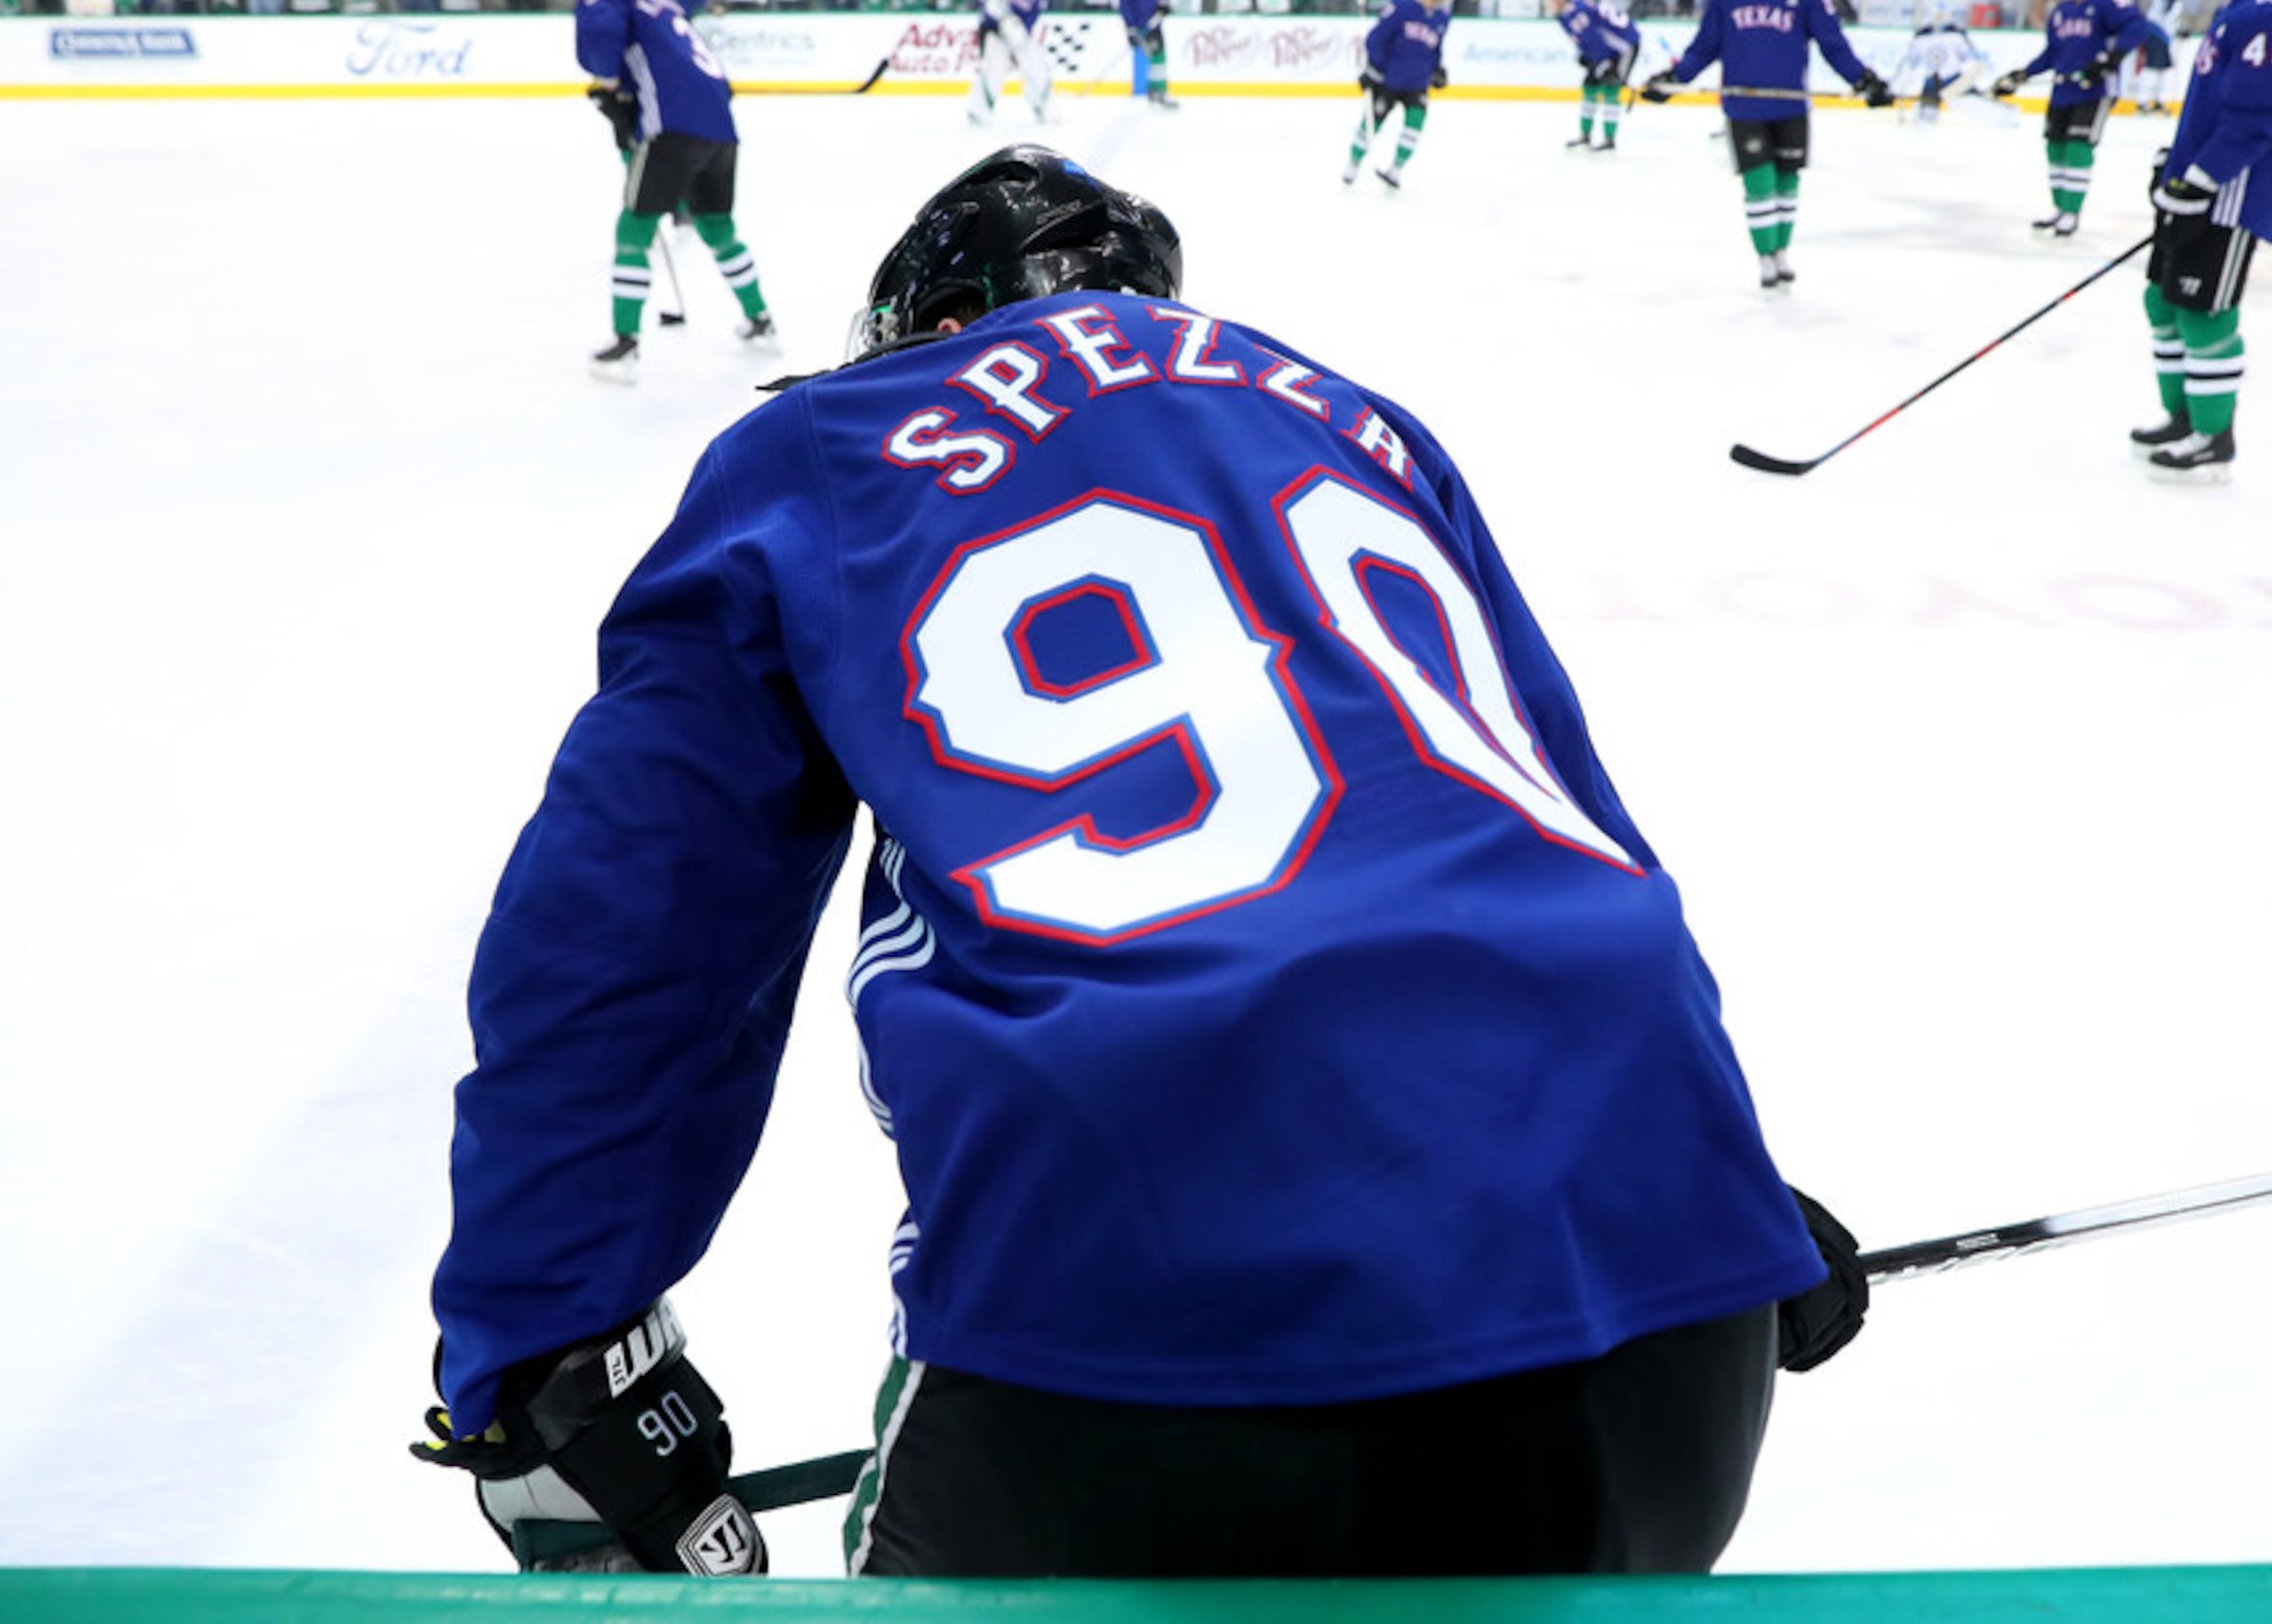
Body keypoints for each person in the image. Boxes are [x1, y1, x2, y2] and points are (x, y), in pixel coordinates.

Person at [410, 144, 1870, 1580]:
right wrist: (1708, 1183)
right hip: (1653, 1294)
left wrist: (545, 1343)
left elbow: (633, 922)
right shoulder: (1355, 418)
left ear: (920, 325)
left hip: (1143, 1305)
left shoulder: (827, 445)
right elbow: (1540, 811)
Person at [2133, 0, 2272, 483]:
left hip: (2229, 195)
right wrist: (2177, 160)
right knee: (2163, 300)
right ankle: (2183, 417)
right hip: (2197, 185)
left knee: (2205, 311)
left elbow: (2256, 121)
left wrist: (2203, 176)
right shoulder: (2239, 10)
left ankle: (2214, 435)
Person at [1638, 0, 1895, 290]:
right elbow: (1705, 48)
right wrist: (1673, 80)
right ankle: (1765, 256)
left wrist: (1865, 81)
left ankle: (1781, 253)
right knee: (1759, 183)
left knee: (1787, 183)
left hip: (1790, 106)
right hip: (1745, 107)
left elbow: (1833, 46)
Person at [573, 0, 777, 381]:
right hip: (721, 129)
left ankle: (624, 344)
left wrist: (609, 89)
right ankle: (761, 320)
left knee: (634, 226)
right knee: (718, 227)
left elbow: (603, 57)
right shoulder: (664, 5)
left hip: (672, 129)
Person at [1989, 0, 2166, 238]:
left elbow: (2136, 28)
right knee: (2055, 147)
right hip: (2063, 91)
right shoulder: (2062, 11)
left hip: (2094, 91)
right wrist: (2021, 75)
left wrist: (2110, 59)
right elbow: (2052, 55)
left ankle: (2072, 214)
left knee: (2077, 147)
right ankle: (2060, 210)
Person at [1344, 0, 1453, 189]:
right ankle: (1353, 164)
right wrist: (1374, 69)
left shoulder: (1443, 16)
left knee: (1414, 126)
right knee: (1371, 125)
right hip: (1388, 81)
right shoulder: (1402, 6)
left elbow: (1435, 48)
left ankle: (1395, 170)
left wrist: (1436, 69)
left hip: (1417, 84)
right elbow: (1376, 38)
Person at [1543, 0, 1639, 150]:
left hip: (1624, 48)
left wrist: (1603, 62)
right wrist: (1588, 57)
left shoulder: (1576, 13)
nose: (1547, 4)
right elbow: (1587, 38)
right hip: (1606, 50)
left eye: (1550, 0)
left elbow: (1597, 37)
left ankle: (1609, 138)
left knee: (1611, 87)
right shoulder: (1566, 13)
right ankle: (1585, 135)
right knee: (1590, 86)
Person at [968, 0, 1051, 125]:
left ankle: (1042, 105)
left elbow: (1032, 18)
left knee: (1035, 65)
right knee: (995, 67)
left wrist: (1019, 32)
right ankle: (978, 109)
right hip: (994, 32)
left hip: (1017, 35)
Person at [2131, 0, 2199, 114]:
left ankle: (2160, 100)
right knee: (2152, 69)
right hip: (2157, 35)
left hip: (2164, 36)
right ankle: (2143, 100)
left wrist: (2179, 30)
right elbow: (2164, 16)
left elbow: (2172, 19)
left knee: (2165, 70)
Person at [1117, 0, 1176, 108]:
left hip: (1154, 22)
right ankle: (1156, 90)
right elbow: (1125, 5)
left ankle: (1158, 90)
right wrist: (1130, 28)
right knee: (1154, 56)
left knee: (1159, 55)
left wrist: (1164, 6)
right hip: (1140, 25)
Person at [1897, 17, 1988, 120]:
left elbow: (1911, 65)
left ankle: (1925, 119)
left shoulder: (1920, 40)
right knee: (1977, 106)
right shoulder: (1956, 37)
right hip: (1953, 82)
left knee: (1926, 119)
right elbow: (1969, 59)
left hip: (1931, 83)